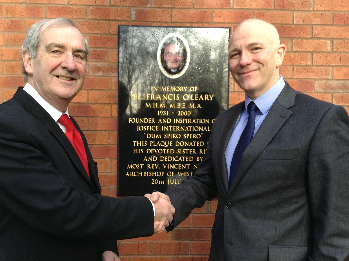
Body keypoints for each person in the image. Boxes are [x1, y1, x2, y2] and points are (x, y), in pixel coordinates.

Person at [150, 18, 349, 260]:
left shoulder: (321, 119)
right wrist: (168, 203)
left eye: (255, 49)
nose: (244, 60)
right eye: (235, 53)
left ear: (279, 54)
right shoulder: (224, 121)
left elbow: (336, 226)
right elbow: (205, 180)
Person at [0, 18, 174, 261]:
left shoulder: (64, 124)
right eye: (56, 51)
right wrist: (149, 210)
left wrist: (106, 245)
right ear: (29, 60)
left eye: (79, 55)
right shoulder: (8, 125)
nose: (70, 64)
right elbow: (62, 210)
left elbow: (88, 195)